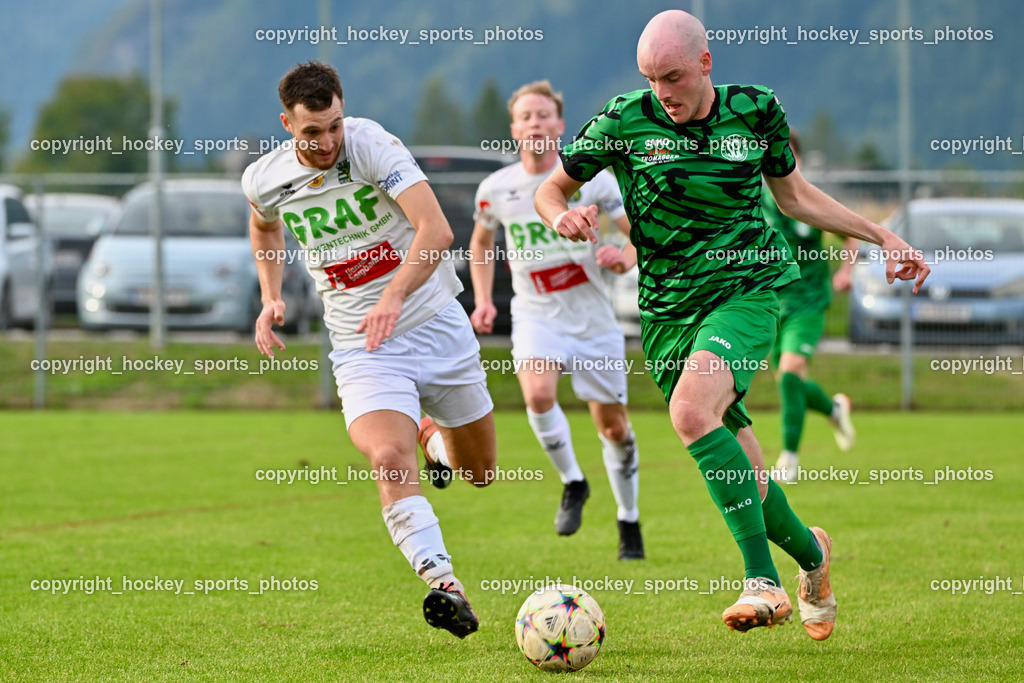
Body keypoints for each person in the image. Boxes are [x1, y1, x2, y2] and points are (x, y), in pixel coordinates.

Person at [535, 10, 930, 638]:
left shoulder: (755, 110)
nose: (661, 91)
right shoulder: (622, 119)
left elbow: (795, 196)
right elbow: (551, 189)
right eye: (650, 77)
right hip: (666, 312)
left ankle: (760, 581)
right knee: (744, 469)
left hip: (745, 291)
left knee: (691, 413)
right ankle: (813, 557)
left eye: (672, 75)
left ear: (704, 64)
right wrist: (560, 215)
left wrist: (879, 234)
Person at [242, 60, 497, 639]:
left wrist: (394, 297)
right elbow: (263, 227)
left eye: (333, 125)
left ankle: (434, 438)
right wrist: (270, 295)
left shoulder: (373, 144)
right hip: (362, 345)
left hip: (436, 325)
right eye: (312, 132)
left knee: (481, 473)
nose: (327, 141)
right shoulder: (264, 179)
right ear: (287, 123)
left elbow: (436, 231)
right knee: (386, 458)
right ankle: (444, 584)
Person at [469, 80, 644, 559]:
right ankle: (573, 482)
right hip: (534, 314)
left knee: (613, 429)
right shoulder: (496, 190)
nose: (535, 123)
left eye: (544, 115)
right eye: (525, 116)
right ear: (514, 129)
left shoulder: (596, 180)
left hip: (592, 321)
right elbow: (481, 244)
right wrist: (483, 299)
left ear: (560, 125)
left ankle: (629, 520)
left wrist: (625, 256)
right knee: (539, 394)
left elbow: (639, 236)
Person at [762, 130, 858, 483]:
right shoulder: (756, 199)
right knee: (791, 380)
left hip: (809, 300)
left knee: (790, 371)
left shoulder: (810, 197)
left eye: (785, 156)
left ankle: (788, 458)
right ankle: (833, 409)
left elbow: (850, 234)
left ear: (797, 159)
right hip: (772, 302)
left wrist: (846, 270)